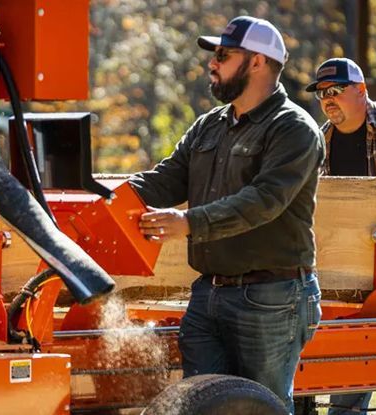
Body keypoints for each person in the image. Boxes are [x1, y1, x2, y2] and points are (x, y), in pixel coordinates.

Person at [126, 16, 324, 413]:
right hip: (208, 294)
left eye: (223, 55)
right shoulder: (209, 126)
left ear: (257, 63)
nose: (211, 64)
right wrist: (103, 194)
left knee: (261, 407)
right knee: (203, 406)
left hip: (271, 298)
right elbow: (163, 181)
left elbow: (264, 200)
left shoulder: (293, 129)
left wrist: (189, 224)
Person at [306, 57, 376, 414]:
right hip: (349, 271)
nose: (328, 99)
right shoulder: (319, 141)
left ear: (361, 90)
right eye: (322, 93)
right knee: (349, 363)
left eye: (336, 90)